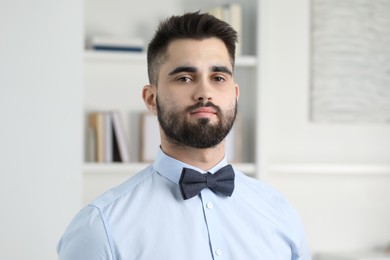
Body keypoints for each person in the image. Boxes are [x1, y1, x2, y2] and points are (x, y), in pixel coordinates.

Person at [57, 12, 311, 260]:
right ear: (151, 98)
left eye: (218, 77)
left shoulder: (279, 212)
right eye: (185, 78)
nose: (204, 93)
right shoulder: (101, 228)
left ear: (235, 93)